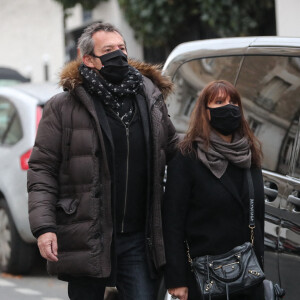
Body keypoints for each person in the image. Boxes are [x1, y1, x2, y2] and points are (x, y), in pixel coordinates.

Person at [27, 22, 178, 300]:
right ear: (88, 60)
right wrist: (44, 227)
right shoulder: (63, 107)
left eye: (121, 48)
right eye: (108, 50)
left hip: (138, 238)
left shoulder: (150, 98)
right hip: (87, 235)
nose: (118, 55)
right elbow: (42, 170)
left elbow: (174, 151)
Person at [163, 80, 265, 300]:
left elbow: (258, 219)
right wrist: (177, 280)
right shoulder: (187, 157)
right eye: (219, 102)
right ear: (206, 112)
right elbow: (172, 224)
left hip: (248, 277)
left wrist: (260, 268)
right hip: (206, 279)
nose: (229, 107)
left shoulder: (249, 155)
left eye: (233, 102)